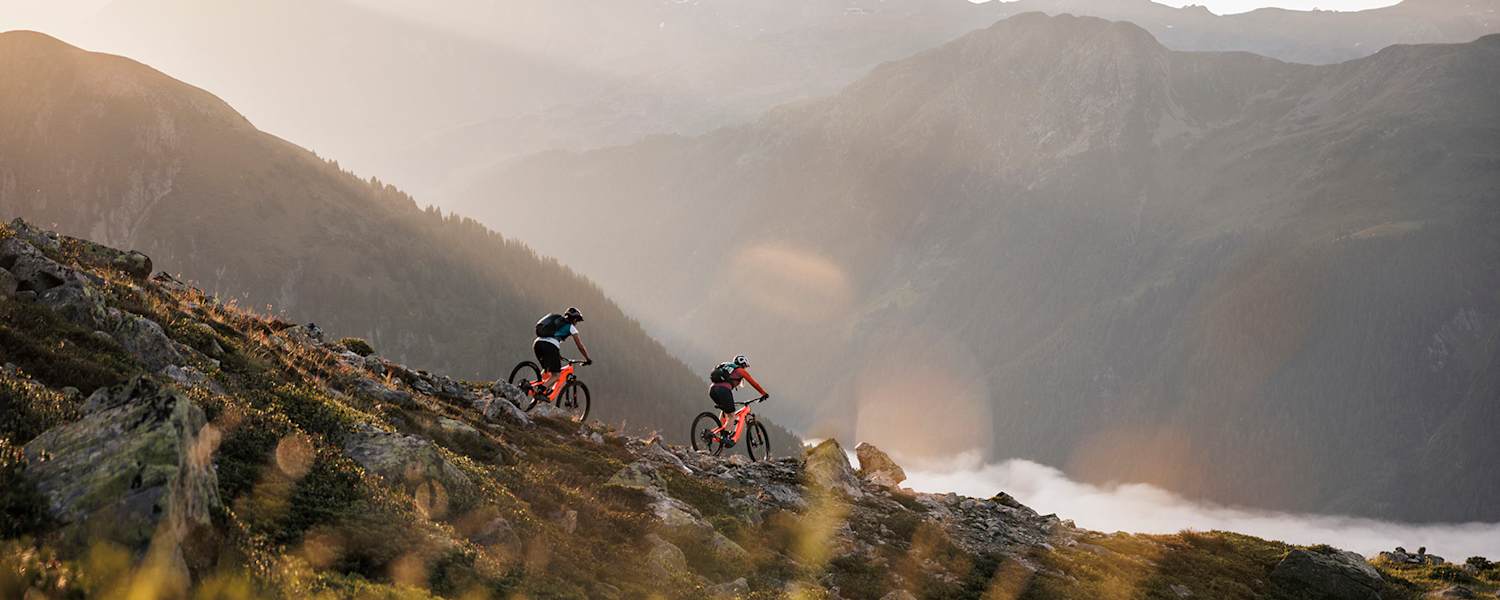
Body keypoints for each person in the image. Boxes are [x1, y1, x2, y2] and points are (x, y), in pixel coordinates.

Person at [533, 307, 592, 401]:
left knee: (546, 370)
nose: (577, 323)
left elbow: (553, 338)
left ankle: (533, 386)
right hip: (550, 346)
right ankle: (539, 391)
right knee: (556, 375)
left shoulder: (556, 322)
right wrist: (587, 359)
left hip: (538, 343)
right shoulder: (571, 327)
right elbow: (580, 346)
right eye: (577, 321)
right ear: (575, 319)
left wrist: (557, 355)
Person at [709, 355, 768, 447]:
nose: (745, 369)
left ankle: (717, 431)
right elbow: (754, 383)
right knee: (732, 415)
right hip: (723, 390)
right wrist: (764, 393)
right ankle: (726, 438)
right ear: (743, 364)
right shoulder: (740, 371)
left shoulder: (727, 367)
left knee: (726, 411)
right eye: (745, 366)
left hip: (712, 390)